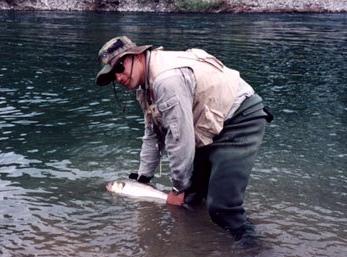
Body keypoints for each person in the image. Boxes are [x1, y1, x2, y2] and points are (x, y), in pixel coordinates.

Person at [95, 36, 273, 242]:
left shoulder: (166, 80)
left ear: (138, 56)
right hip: (209, 125)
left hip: (239, 120)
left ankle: (256, 252)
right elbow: (152, 136)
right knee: (193, 197)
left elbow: (180, 138)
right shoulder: (145, 89)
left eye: (119, 68)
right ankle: (199, 245)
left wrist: (177, 189)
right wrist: (143, 179)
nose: (118, 78)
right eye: (112, 77)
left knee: (222, 207)